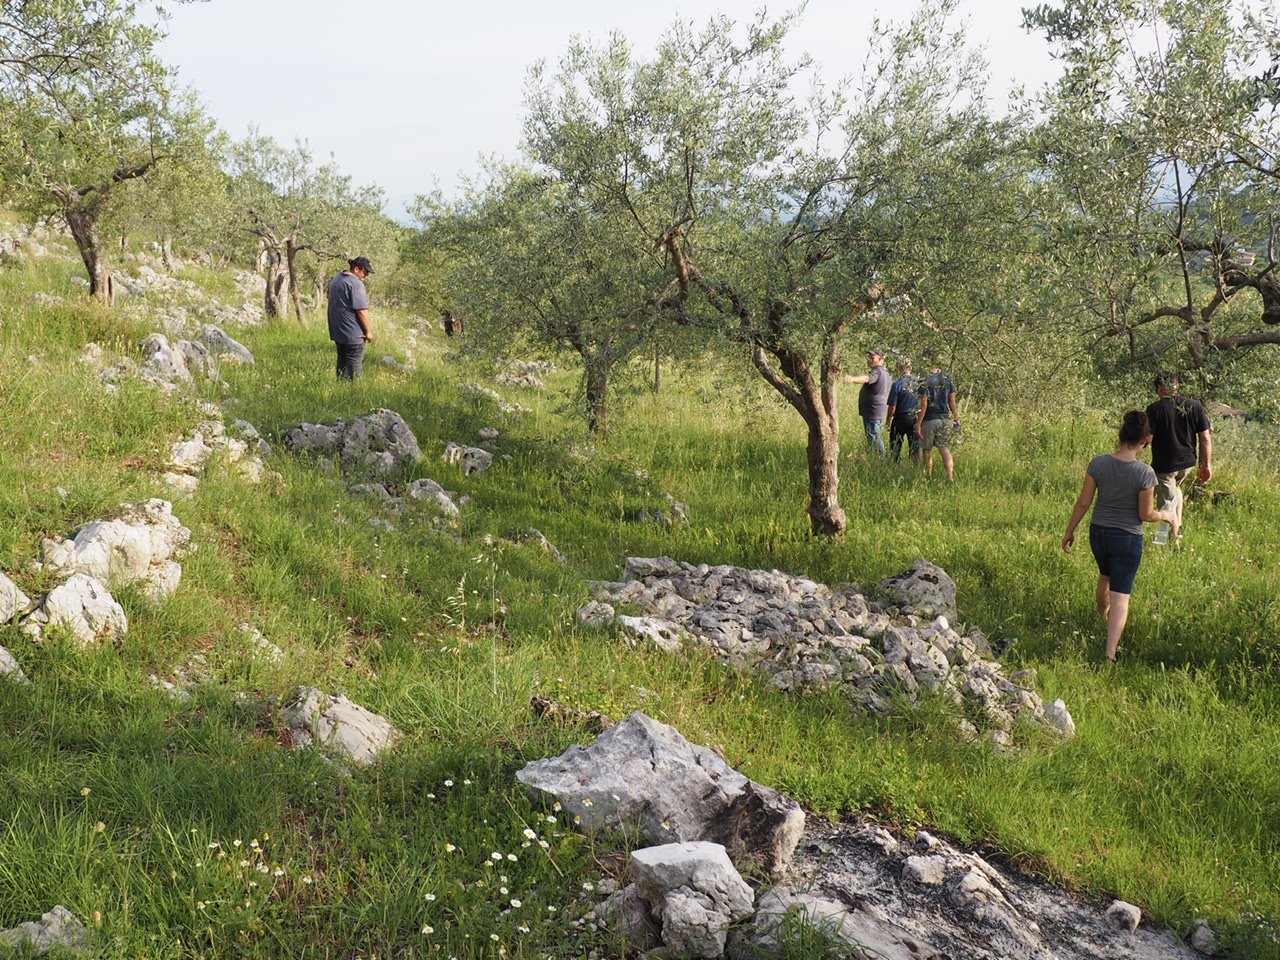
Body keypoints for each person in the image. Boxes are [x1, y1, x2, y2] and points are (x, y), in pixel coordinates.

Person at [1061, 410, 1178, 662]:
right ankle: (1110, 653)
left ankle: (1102, 617)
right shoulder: (1145, 473)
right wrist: (1167, 516)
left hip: (1098, 533)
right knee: (1121, 595)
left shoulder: (1098, 463)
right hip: (1127, 538)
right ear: (1146, 440)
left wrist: (1069, 530)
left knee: (1105, 575)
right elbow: (1146, 514)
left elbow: (1083, 502)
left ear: (1122, 434)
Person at [1145, 371, 1212, 542]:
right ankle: (1178, 525)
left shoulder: (1154, 409)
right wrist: (1206, 464)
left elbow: (1148, 439)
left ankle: (1171, 540)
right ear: (1178, 386)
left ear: (1159, 388)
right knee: (1176, 488)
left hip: (1165, 465)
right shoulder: (1195, 406)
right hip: (1187, 463)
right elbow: (1205, 438)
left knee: (1166, 503)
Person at [327, 256, 374, 379]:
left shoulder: (336, 278)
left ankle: (341, 386)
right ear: (356, 269)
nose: (366, 276)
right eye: (365, 272)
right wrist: (368, 332)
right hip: (354, 333)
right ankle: (355, 388)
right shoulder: (356, 283)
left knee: (342, 359)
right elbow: (361, 310)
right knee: (355, 363)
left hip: (338, 331)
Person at [844, 347, 891, 456]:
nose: (869, 359)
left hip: (873, 410)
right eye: (869, 357)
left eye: (872, 357)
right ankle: (879, 457)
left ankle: (883, 458)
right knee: (875, 434)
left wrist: (852, 379)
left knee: (873, 435)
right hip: (877, 409)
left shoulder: (877, 372)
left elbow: (866, 379)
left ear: (880, 359)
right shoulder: (886, 372)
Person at [915, 364, 959, 480]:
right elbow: (952, 401)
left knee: (927, 449)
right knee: (944, 448)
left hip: (929, 419)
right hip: (944, 418)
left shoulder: (924, 380)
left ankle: (928, 476)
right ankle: (950, 477)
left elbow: (924, 403)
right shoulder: (947, 379)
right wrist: (956, 418)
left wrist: (918, 423)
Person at [886, 357, 921, 464]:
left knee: (895, 446)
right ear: (911, 367)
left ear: (899, 367)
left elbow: (892, 407)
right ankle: (915, 466)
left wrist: (888, 421)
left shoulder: (897, 384)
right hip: (915, 418)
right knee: (914, 447)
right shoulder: (919, 383)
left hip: (900, 418)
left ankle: (895, 465)